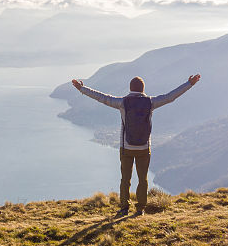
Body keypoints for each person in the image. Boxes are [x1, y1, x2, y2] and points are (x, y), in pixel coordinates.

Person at [71, 73, 200, 216]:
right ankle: (140, 209)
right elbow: (171, 97)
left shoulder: (122, 102)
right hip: (144, 148)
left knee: (125, 179)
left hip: (126, 148)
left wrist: (82, 89)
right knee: (143, 179)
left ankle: (124, 208)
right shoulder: (150, 102)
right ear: (143, 89)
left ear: (130, 88)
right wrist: (189, 84)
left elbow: (101, 97)